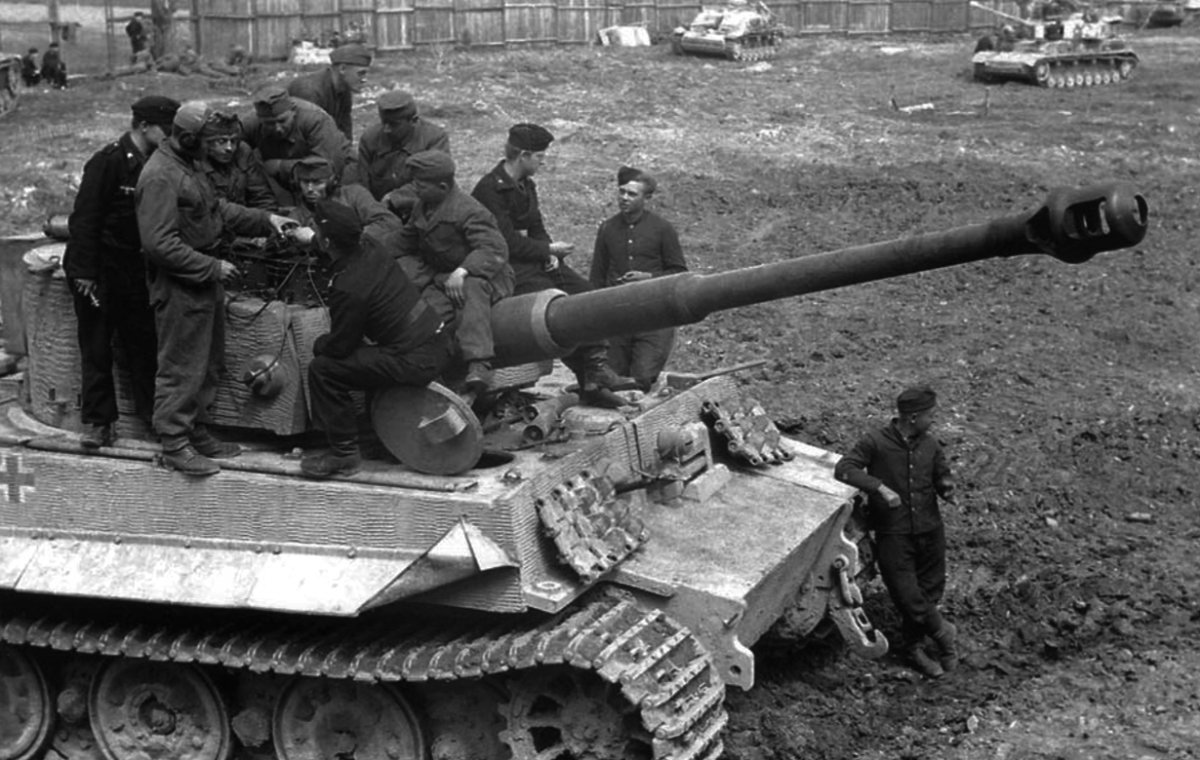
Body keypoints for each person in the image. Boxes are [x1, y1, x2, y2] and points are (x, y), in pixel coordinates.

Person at [136, 101, 295, 476]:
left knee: (208, 363)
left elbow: (217, 210)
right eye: (212, 142)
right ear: (189, 138)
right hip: (181, 284)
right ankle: (174, 443)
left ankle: (196, 429)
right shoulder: (160, 176)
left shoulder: (188, 164)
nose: (221, 149)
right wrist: (211, 267)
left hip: (203, 279)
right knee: (181, 366)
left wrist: (266, 219)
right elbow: (158, 244)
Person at [471, 123, 634, 408]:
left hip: (532, 259)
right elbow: (505, 242)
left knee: (584, 292)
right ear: (523, 155)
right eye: (539, 156)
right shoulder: (489, 190)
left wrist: (549, 254)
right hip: (505, 267)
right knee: (557, 307)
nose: (543, 162)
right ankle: (591, 378)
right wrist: (545, 250)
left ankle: (594, 373)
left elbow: (536, 227)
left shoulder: (526, 186)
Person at [300, 200, 453, 479]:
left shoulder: (348, 287)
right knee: (369, 355)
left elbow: (340, 347)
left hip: (414, 360)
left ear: (327, 242)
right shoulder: (371, 246)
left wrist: (318, 343)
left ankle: (344, 454)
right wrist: (312, 239)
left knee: (323, 370)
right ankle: (375, 437)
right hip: (436, 340)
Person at [63, 95, 180, 449]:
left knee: (144, 346)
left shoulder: (157, 163)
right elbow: (84, 220)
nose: (170, 136)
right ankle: (99, 423)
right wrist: (85, 273)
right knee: (96, 347)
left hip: (132, 271)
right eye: (165, 129)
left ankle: (154, 420)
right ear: (144, 126)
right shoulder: (108, 162)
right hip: (98, 271)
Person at [833, 385, 958, 679]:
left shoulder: (930, 445)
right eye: (930, 415)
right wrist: (879, 487)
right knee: (906, 594)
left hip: (930, 530)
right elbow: (844, 468)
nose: (934, 420)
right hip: (894, 534)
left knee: (930, 591)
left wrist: (946, 486)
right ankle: (943, 633)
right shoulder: (876, 442)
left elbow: (941, 474)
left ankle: (914, 647)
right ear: (913, 417)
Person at [394, 150, 512, 397]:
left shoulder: (470, 210)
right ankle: (435, 368)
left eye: (421, 185)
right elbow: (404, 241)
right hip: (444, 280)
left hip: (488, 276)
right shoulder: (423, 207)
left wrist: (463, 270)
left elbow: (494, 248)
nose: (415, 189)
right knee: (425, 315)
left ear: (443, 186)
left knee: (472, 290)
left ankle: (479, 363)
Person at [589, 166, 689, 391]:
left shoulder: (662, 229)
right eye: (622, 192)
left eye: (632, 194)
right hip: (616, 318)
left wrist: (648, 278)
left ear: (647, 198)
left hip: (654, 319)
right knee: (612, 381)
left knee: (643, 379)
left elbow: (679, 273)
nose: (624, 198)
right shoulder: (607, 229)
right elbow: (597, 276)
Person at [241, 85, 356, 207]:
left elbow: (328, 166)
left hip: (337, 174)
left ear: (293, 112)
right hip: (291, 181)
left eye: (282, 121)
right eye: (269, 124)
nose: (277, 128)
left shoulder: (316, 120)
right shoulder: (250, 124)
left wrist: (280, 166)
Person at [357, 90, 449, 215]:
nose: (386, 129)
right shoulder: (370, 139)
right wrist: (370, 209)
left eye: (394, 124)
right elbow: (361, 181)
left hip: (422, 212)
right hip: (379, 213)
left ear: (413, 121)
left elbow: (433, 182)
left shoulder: (434, 139)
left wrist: (394, 199)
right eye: (384, 122)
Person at [286, 156, 403, 254]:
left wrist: (352, 238)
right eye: (305, 182)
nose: (309, 189)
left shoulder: (354, 195)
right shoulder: (297, 216)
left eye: (317, 182)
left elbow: (389, 222)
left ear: (332, 183)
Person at [287, 43, 371, 141]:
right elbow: (307, 138)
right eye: (361, 73)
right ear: (343, 69)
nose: (364, 79)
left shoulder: (343, 88)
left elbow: (345, 132)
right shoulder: (309, 91)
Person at [202, 111, 276, 210]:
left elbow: (261, 196)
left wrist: (271, 216)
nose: (229, 148)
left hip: (247, 216)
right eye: (221, 141)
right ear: (207, 142)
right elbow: (214, 208)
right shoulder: (197, 161)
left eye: (233, 141)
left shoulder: (242, 152)